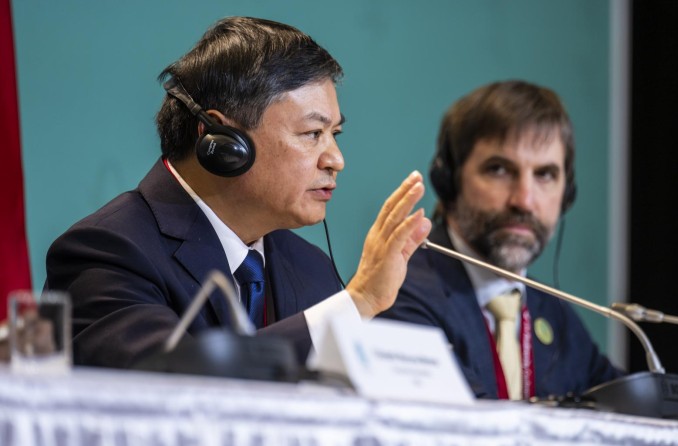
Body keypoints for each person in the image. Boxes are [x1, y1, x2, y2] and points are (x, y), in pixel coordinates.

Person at [45, 17, 431, 369]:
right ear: (222, 141)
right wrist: (357, 303)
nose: (336, 160)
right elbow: (170, 384)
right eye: (313, 133)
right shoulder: (107, 252)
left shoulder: (312, 269)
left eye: (335, 134)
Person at [378, 80, 622, 400]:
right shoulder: (399, 291)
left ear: (567, 194)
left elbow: (633, 403)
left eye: (545, 174)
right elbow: (465, 420)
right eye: (499, 170)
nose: (524, 200)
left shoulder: (554, 313)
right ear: (449, 181)